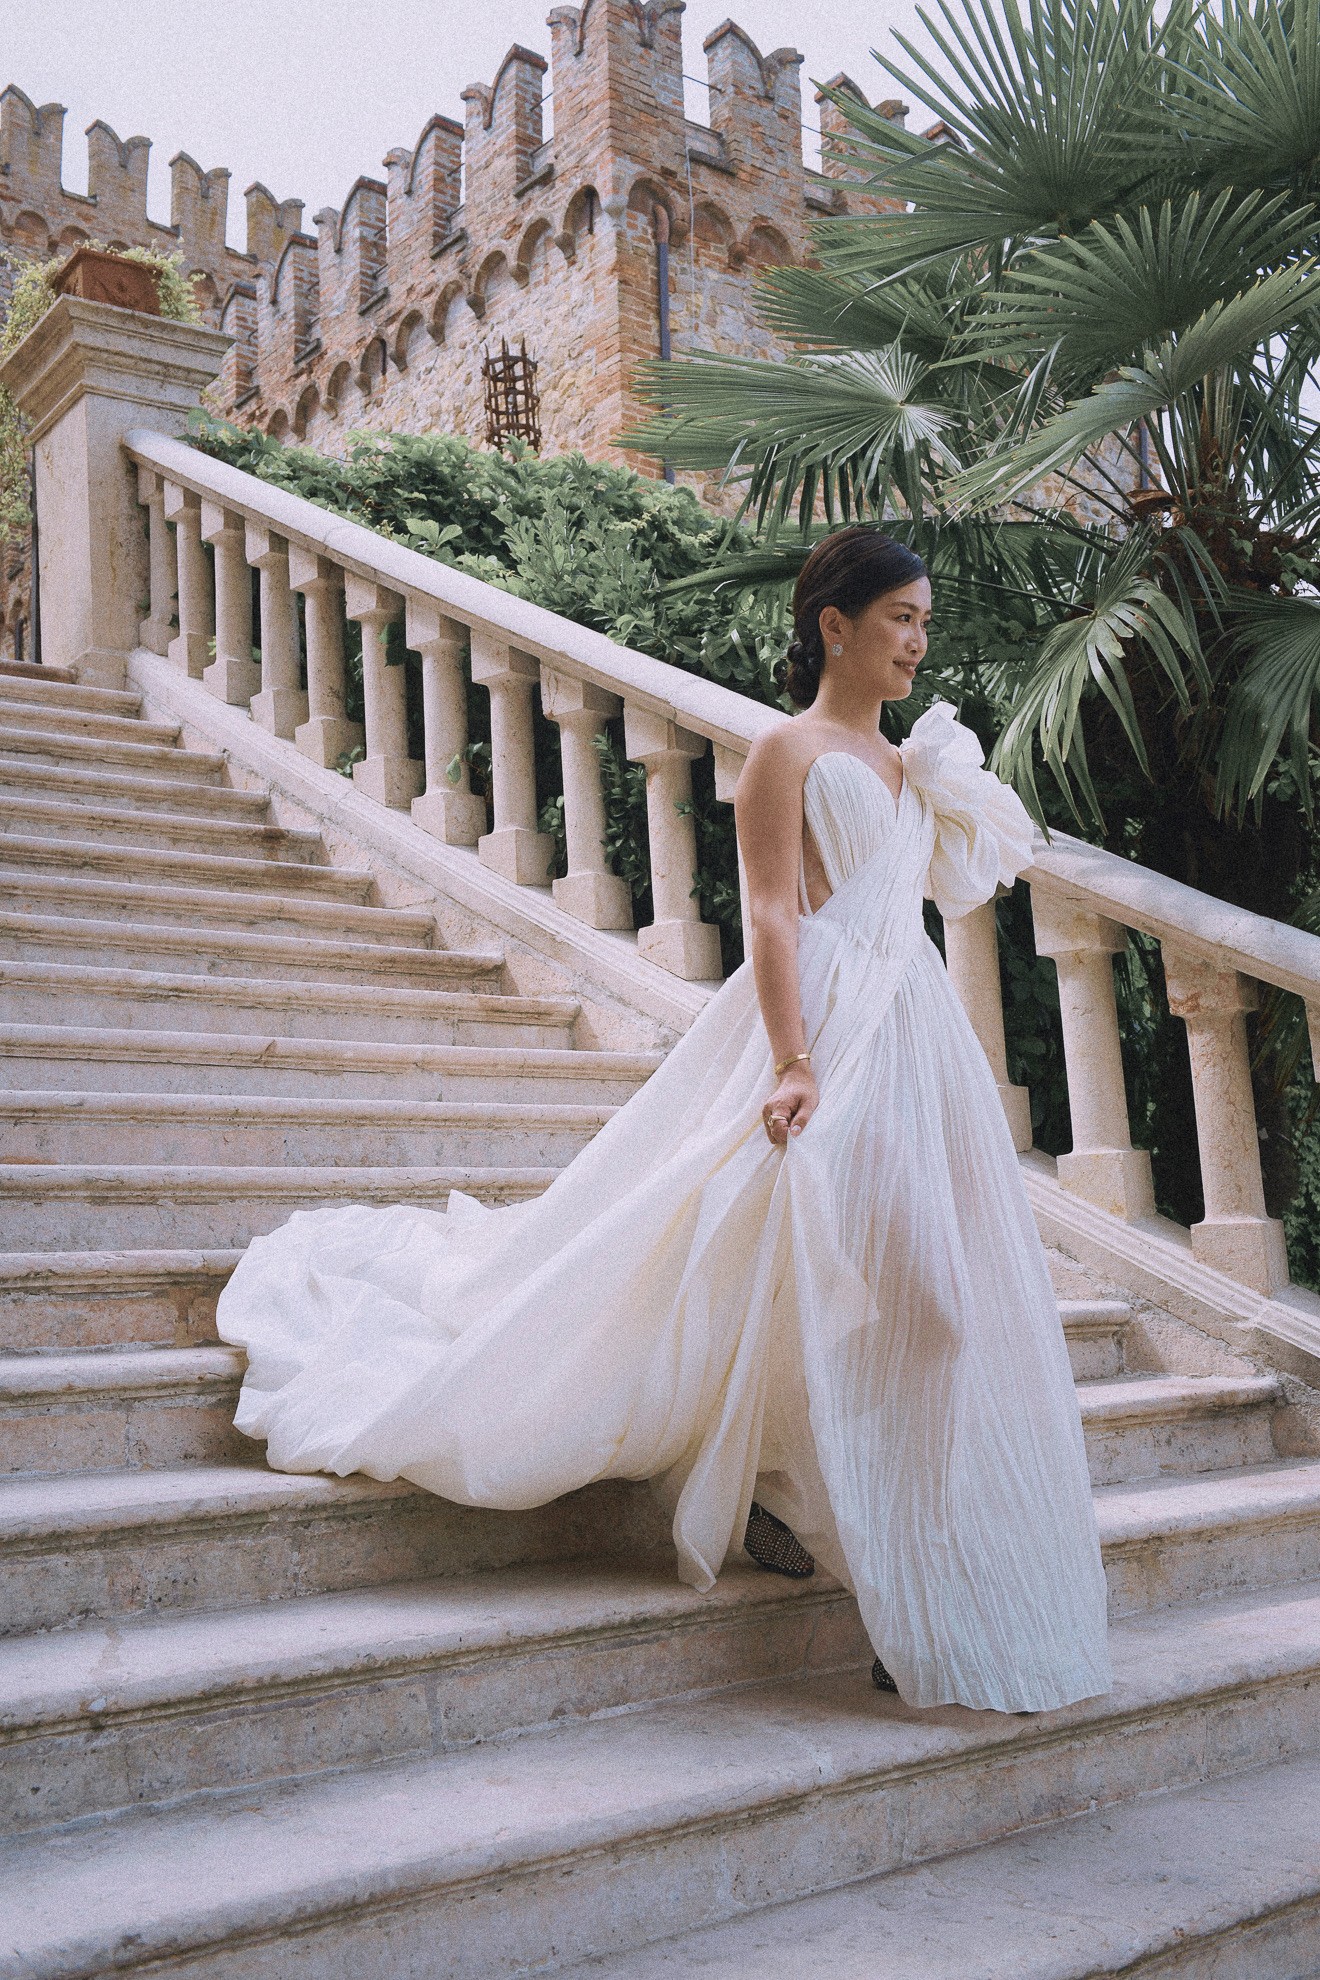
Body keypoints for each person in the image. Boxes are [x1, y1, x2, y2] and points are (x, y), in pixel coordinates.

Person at [217, 525, 1112, 1716]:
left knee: (935, 1305)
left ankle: (825, 1516)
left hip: (918, 1037)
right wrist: (794, 1060)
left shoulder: (909, 768)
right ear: (834, 624)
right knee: (884, 1291)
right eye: (901, 617)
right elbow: (778, 919)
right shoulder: (785, 753)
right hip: (826, 1031)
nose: (917, 641)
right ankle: (871, 1561)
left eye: (924, 622)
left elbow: (933, 901)